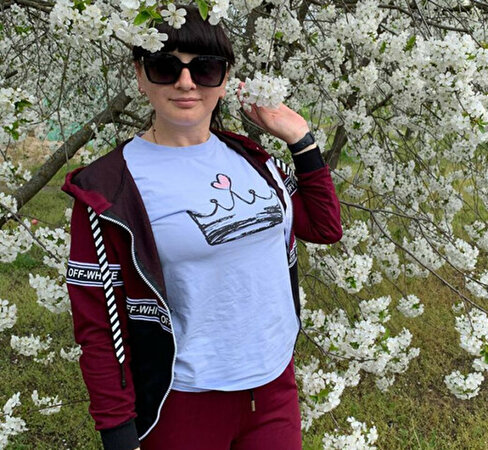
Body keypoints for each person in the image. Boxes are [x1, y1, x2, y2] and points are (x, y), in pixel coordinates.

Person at [62, 5, 342, 450]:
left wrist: (300, 139)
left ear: (224, 79)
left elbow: (325, 227)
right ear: (140, 74)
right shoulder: (109, 189)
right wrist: (117, 432)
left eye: (205, 68)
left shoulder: (254, 160)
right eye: (165, 66)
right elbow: (99, 326)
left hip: (273, 388)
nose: (186, 83)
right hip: (184, 400)